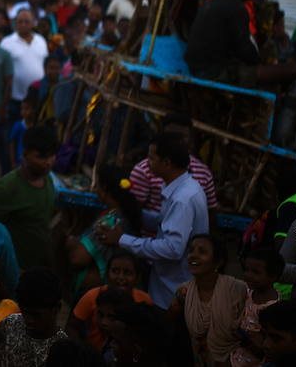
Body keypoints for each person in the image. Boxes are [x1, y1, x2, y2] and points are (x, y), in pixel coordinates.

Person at [97, 131, 209, 307]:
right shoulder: (183, 188)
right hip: (169, 285)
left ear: (166, 163)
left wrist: (122, 239)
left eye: (151, 158)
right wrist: (131, 210)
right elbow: (164, 223)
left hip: (172, 290)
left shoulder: (183, 199)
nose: (146, 164)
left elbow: (173, 248)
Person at [187, 0, 296, 87]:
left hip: (199, 67)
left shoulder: (220, 0)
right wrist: (263, 64)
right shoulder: (237, 8)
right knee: (292, 70)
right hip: (211, 73)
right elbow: (246, 52)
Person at [0, 124, 58, 272]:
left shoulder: (48, 180)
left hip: (39, 267)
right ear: (24, 154)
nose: (48, 162)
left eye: (51, 155)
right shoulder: (6, 188)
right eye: (41, 157)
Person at [65, 165, 146, 294]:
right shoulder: (127, 215)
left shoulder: (109, 223)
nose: (95, 189)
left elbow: (78, 258)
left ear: (105, 189)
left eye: (97, 185)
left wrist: (71, 242)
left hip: (101, 294)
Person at [172, 234, 245, 367]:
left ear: (218, 262)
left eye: (202, 252)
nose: (193, 255)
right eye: (191, 250)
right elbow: (171, 327)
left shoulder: (237, 290)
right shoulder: (183, 292)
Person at [127, 113, 219, 214]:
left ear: (190, 139)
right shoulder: (144, 170)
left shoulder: (204, 173)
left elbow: (210, 213)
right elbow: (132, 212)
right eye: (171, 136)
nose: (177, 141)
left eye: (183, 136)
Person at [66, 250, 151, 349]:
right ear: (107, 274)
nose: (121, 277)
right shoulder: (92, 295)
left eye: (127, 273)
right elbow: (71, 326)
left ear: (138, 278)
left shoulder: (144, 300)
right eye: (115, 271)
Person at [0, 267, 68, 367]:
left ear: (56, 309)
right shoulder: (9, 324)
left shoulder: (62, 350)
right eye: (24, 312)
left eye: (36, 315)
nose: (28, 320)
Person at [231, 246, 284, 367]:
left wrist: (251, 341)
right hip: (239, 349)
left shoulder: (273, 307)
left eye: (255, 272)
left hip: (255, 356)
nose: (248, 275)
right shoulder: (249, 291)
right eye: (246, 269)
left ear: (273, 277)